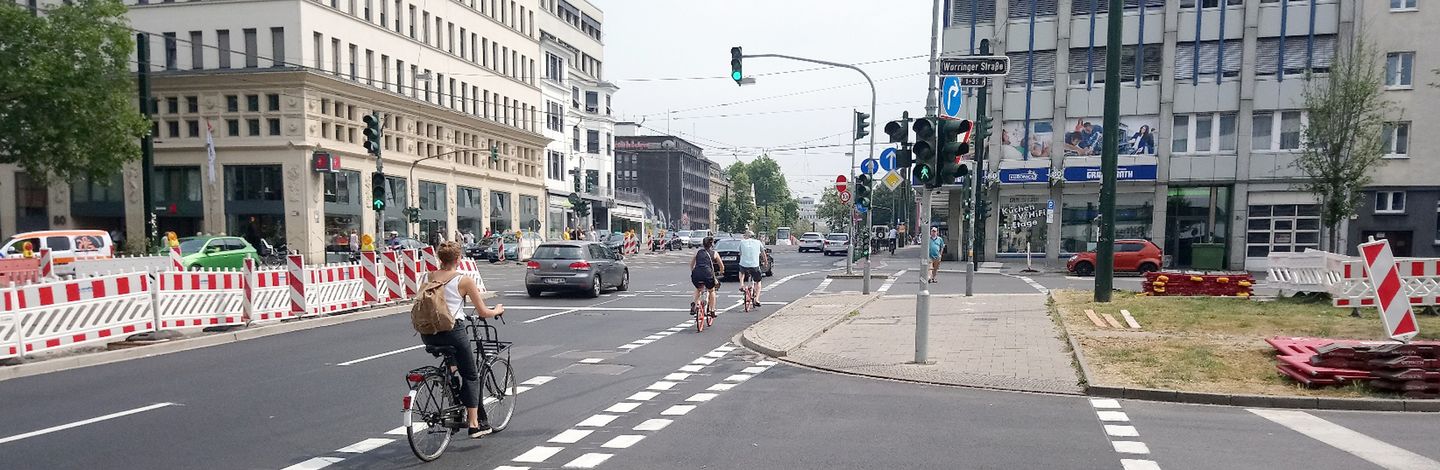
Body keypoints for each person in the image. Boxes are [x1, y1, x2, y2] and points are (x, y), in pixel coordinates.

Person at [415, 242, 505, 438]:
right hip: (453, 331)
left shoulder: (426, 277)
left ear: (440, 259)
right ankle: (474, 424)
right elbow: (482, 311)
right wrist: (497, 310)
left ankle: (451, 381)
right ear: (458, 259)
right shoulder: (463, 280)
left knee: (454, 365)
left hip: (428, 334)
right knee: (471, 375)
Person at [689, 236, 722, 318]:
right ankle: (712, 310)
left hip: (696, 274)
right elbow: (721, 266)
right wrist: (721, 272)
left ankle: (695, 304)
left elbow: (691, 264)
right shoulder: (714, 253)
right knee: (711, 290)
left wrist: (693, 271)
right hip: (708, 274)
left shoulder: (697, 252)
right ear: (711, 244)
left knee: (698, 289)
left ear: (703, 244)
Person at [738, 231, 765, 308]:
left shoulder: (742, 242)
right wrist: (765, 262)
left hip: (744, 265)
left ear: (746, 236)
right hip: (754, 265)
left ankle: (742, 285)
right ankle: (756, 299)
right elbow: (763, 253)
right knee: (758, 282)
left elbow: (740, 253)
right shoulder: (758, 242)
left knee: (741, 272)